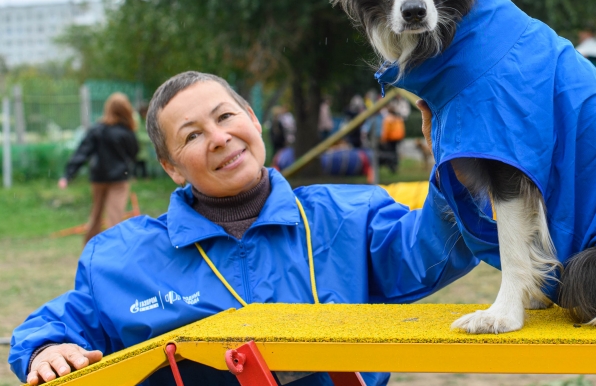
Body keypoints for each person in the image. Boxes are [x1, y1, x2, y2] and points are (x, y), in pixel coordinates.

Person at [10, 71, 479, 386]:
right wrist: (45, 349)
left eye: (226, 116)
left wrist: (460, 174)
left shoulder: (348, 216)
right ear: (172, 167)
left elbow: (431, 252)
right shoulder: (122, 258)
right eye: (192, 135)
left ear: (253, 121)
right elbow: (54, 325)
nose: (218, 138)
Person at [58, 92, 140, 245]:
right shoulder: (128, 133)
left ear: (107, 109)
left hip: (98, 179)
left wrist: (67, 175)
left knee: (95, 216)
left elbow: (82, 152)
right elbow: (134, 153)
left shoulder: (97, 130)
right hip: (119, 180)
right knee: (114, 218)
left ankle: (89, 253)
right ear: (126, 110)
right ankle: (112, 255)